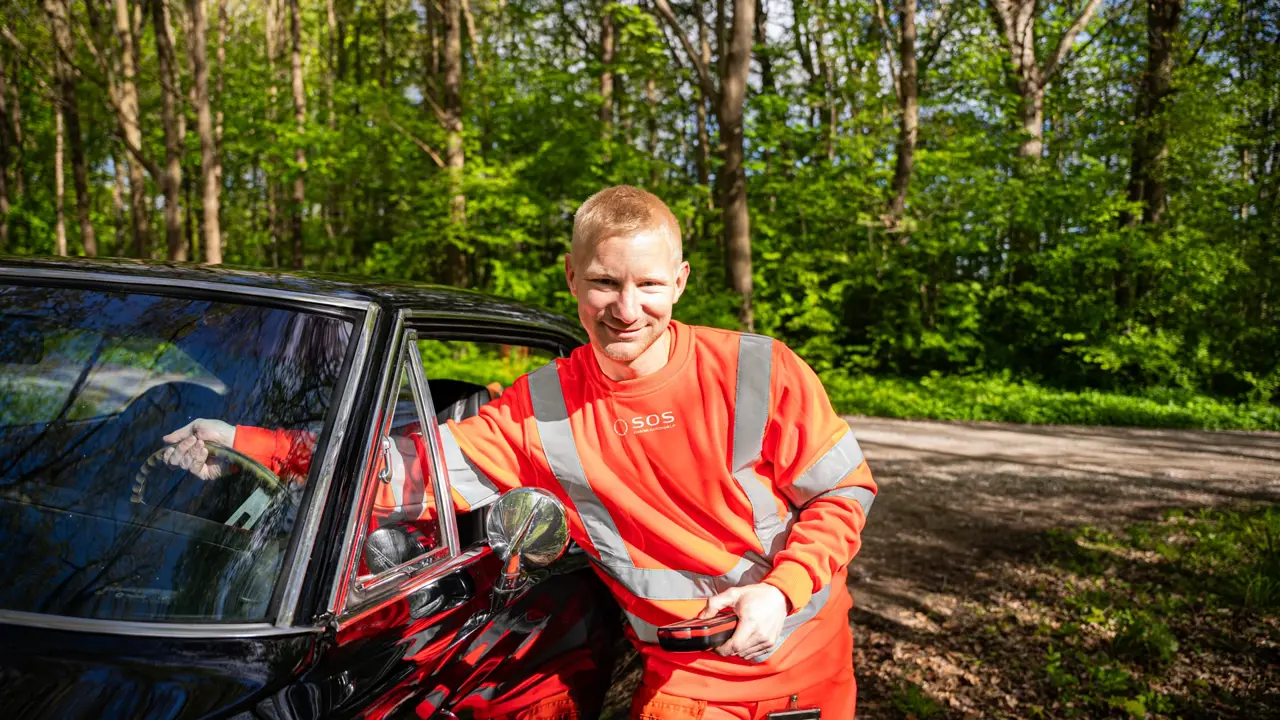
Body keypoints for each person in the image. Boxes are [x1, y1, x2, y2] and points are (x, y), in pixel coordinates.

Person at [162, 186, 877, 719]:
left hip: (802, 659)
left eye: (648, 285)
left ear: (680, 281)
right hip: (684, 682)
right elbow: (403, 474)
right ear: (572, 277)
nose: (626, 308)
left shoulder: (759, 368)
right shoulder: (540, 408)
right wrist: (250, 443)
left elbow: (843, 494)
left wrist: (779, 592)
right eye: (604, 283)